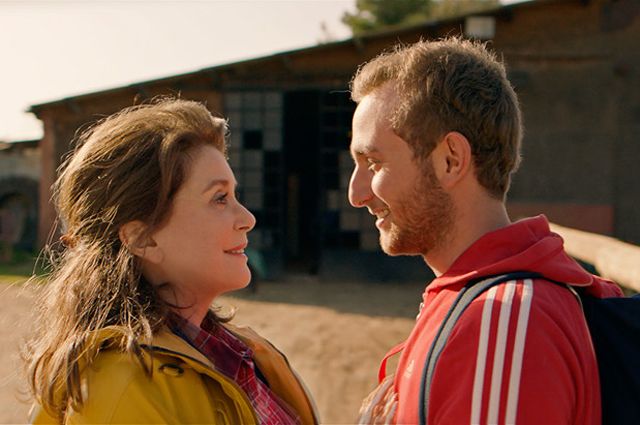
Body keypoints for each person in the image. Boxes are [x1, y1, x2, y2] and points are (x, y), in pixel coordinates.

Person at [348, 37, 623, 424]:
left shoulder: (503, 320)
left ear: (451, 160)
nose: (356, 194)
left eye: (374, 163)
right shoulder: (479, 303)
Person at [24, 98, 318, 424]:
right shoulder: (122, 389)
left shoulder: (234, 350)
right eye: (220, 198)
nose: (248, 219)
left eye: (236, 196)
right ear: (143, 239)